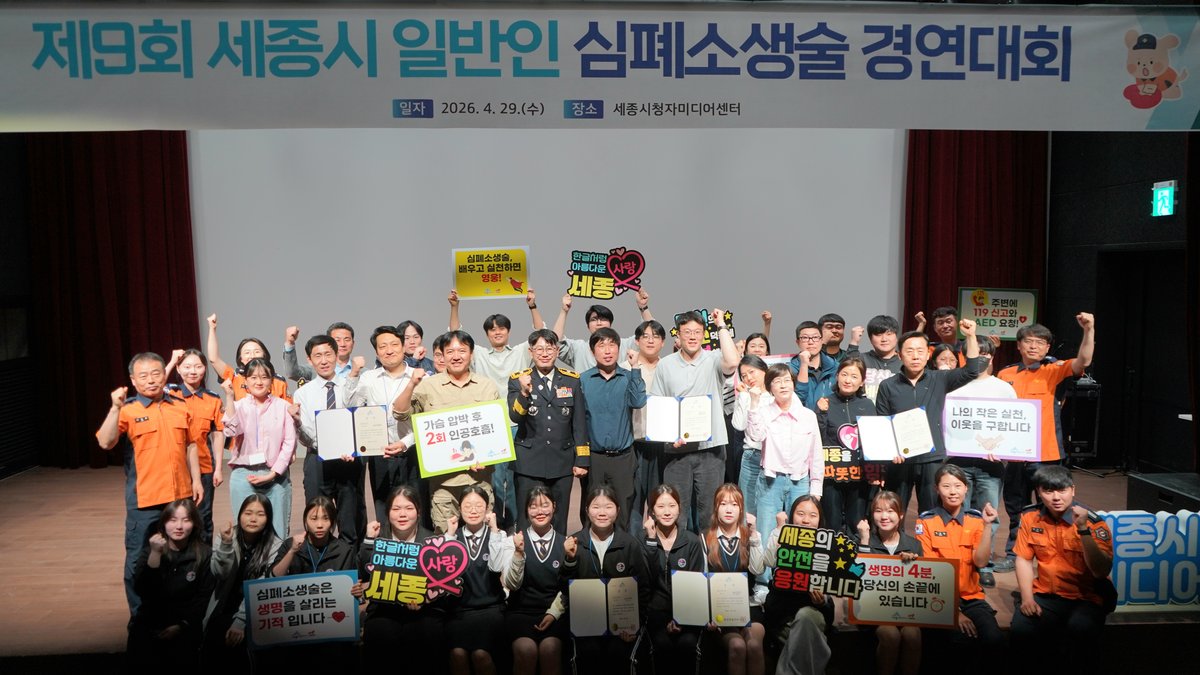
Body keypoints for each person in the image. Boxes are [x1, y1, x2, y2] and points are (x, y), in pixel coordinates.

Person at [96, 351, 205, 616]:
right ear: (133, 380)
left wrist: (197, 480)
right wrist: (114, 408)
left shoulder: (179, 405)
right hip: (144, 500)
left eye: (156, 373)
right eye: (143, 376)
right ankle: (140, 618)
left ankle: (181, 615)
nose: (151, 380)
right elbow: (105, 442)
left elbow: (191, 445)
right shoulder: (127, 410)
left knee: (184, 557)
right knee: (138, 559)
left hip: (179, 498)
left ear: (164, 374)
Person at [994, 313, 1096, 573]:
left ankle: (1050, 556)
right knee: (1016, 507)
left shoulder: (1055, 370)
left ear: (1047, 348)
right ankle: (1015, 553)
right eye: (1028, 341)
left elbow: (1084, 360)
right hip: (1013, 455)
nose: (1033, 346)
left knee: (1050, 507)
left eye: (1040, 343)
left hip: (1046, 453)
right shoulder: (1004, 374)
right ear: (1019, 345)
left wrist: (1089, 330)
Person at [449, 287, 545, 529]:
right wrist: (455, 306)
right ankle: (496, 526)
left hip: (517, 424)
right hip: (491, 427)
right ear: (487, 334)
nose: (497, 332)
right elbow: (455, 335)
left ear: (508, 331)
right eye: (492, 329)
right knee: (494, 478)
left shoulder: (521, 352)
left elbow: (540, 334)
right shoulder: (479, 355)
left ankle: (514, 526)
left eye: (501, 328)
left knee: (515, 478)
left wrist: (532, 306)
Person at [393, 330, 500, 533]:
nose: (456, 356)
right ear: (442, 355)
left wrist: (488, 456)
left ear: (471, 354)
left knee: (483, 538)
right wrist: (411, 384)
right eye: (450, 351)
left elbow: (496, 432)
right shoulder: (428, 386)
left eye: (462, 351)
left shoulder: (486, 386)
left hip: (479, 480)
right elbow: (400, 413)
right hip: (443, 483)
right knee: (445, 539)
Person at [1010, 465, 1113, 673]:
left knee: (1080, 630)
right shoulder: (1030, 517)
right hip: (1047, 594)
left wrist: (1083, 530)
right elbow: (1023, 559)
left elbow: (1100, 571)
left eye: (1062, 490)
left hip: (1086, 597)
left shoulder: (1093, 523)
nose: (1056, 497)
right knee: (1020, 630)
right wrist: (1027, 598)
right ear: (1039, 492)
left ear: (1072, 490)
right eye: (1048, 491)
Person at [876, 319, 983, 514]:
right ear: (900, 355)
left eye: (920, 351)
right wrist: (890, 452)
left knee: (932, 511)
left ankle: (928, 536)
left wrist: (970, 336)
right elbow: (882, 423)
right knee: (894, 510)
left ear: (928, 354)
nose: (915, 356)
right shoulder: (888, 386)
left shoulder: (940, 378)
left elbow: (972, 370)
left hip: (932, 458)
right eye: (909, 351)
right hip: (900, 460)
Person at [648, 309, 740, 532]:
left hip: (711, 449)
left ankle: (709, 553)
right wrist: (669, 438)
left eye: (697, 332)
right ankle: (677, 553)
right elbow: (659, 405)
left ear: (703, 335)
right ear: (678, 335)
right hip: (676, 450)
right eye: (687, 332)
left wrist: (721, 325)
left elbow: (733, 361)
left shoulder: (714, 358)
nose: (692, 336)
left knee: (710, 512)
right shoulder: (665, 364)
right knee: (674, 510)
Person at [915, 465, 1003, 674]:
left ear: (966, 489)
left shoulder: (976, 520)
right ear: (937, 489)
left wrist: (988, 526)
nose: (953, 492)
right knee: (959, 641)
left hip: (972, 598)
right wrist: (954, 612)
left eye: (957, 486)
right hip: (939, 600)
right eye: (946, 486)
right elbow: (930, 573)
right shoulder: (926, 522)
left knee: (995, 639)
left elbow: (981, 562)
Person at [944, 336, 1014, 587]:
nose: (981, 358)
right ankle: (958, 561)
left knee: (988, 515)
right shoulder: (953, 385)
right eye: (976, 353)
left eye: (986, 354)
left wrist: (1001, 448)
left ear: (992, 358)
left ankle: (983, 564)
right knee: (957, 512)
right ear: (964, 356)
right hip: (957, 461)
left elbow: (1013, 424)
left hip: (990, 464)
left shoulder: (1004, 388)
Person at [562, 486, 651, 674]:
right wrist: (569, 560)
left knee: (618, 654)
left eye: (608, 507)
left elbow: (642, 588)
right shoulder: (575, 542)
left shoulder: (629, 544)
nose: (602, 513)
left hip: (622, 625)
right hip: (585, 624)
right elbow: (564, 588)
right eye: (596, 507)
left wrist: (634, 624)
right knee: (588, 654)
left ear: (617, 510)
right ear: (587, 510)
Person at [509, 329, 589, 533]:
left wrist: (582, 459)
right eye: (539, 349)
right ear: (531, 352)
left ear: (557, 351)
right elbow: (515, 416)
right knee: (526, 516)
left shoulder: (572, 380)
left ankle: (559, 552)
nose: (544, 353)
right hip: (528, 462)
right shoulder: (518, 379)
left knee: (559, 518)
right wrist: (524, 393)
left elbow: (579, 423)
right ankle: (525, 552)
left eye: (549, 348)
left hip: (562, 462)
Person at [292, 334, 368, 545]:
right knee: (317, 515)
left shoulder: (352, 385)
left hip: (349, 459)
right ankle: (320, 559)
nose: (324, 360)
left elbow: (359, 419)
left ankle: (351, 562)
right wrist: (298, 423)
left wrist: (350, 447)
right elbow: (307, 438)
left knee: (350, 519)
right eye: (318, 356)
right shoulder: (303, 393)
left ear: (336, 355)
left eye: (328, 354)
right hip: (317, 460)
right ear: (309, 360)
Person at [345, 325, 419, 537]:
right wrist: (354, 373)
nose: (389, 350)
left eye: (394, 344)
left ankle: (415, 552)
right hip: (380, 454)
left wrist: (405, 442)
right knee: (384, 508)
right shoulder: (369, 378)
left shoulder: (419, 377)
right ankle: (387, 550)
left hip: (412, 452)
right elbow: (350, 406)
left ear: (403, 347)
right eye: (382, 346)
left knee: (415, 506)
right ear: (376, 352)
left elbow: (426, 420)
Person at [359, 485, 441, 670]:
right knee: (380, 634)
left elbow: (439, 583)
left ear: (419, 512)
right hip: (384, 609)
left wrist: (426, 599)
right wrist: (369, 540)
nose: (402, 514)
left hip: (423, 610)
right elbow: (363, 572)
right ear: (387, 513)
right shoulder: (379, 538)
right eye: (396, 509)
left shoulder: (432, 541)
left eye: (409, 508)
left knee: (427, 633)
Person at [127, 498, 215, 673]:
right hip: (152, 621)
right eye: (173, 520)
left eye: (186, 520)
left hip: (186, 623)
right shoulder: (150, 551)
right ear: (163, 523)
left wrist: (181, 625)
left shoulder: (204, 554)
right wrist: (155, 554)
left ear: (195, 524)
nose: (179, 526)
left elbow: (204, 597)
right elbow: (143, 590)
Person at [746, 364, 824, 553]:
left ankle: (795, 570)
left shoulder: (808, 416)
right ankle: (765, 573)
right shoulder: (763, 412)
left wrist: (816, 489)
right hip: (770, 481)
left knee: (800, 536)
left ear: (793, 384)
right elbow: (755, 436)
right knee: (766, 533)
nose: (783, 385)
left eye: (787, 380)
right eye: (777, 381)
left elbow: (816, 455)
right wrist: (754, 403)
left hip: (800, 482)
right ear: (769, 387)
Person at [202, 494, 283, 670]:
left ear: (268, 518)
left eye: (260, 514)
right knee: (216, 638)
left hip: (256, 610)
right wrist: (225, 544)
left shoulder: (276, 546)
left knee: (244, 645)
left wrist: (240, 620)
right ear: (239, 515)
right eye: (248, 513)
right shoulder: (227, 536)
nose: (253, 519)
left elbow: (263, 589)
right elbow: (219, 574)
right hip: (224, 604)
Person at [579, 326, 648, 530]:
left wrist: (636, 368)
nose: (607, 351)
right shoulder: (583, 380)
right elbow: (578, 422)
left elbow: (638, 401)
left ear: (619, 348)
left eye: (612, 345)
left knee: (623, 511)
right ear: (593, 351)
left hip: (623, 458)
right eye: (601, 345)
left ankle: (621, 549)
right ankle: (590, 549)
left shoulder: (628, 376)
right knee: (591, 509)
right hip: (594, 458)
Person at [220, 357, 296, 541]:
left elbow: (289, 443)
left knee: (278, 532)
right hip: (243, 476)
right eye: (253, 377)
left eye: (264, 377)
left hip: (275, 477)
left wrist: (273, 474)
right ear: (245, 381)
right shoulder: (237, 406)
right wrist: (229, 397)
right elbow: (231, 431)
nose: (259, 382)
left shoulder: (284, 407)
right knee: (245, 533)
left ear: (272, 381)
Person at [445, 486, 512, 675]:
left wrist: (494, 530)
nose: (473, 511)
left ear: (488, 508)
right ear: (459, 509)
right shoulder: (452, 537)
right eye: (467, 506)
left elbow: (496, 567)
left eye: (479, 506)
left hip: (491, 608)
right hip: (459, 611)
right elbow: (446, 574)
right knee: (457, 654)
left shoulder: (498, 536)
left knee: (480, 655)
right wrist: (449, 536)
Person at [763, 495, 834, 675]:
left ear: (820, 520)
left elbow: (831, 600)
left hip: (812, 614)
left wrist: (822, 601)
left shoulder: (829, 549)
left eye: (812, 515)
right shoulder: (781, 538)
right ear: (792, 515)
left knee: (805, 617)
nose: (806, 520)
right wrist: (779, 532)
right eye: (800, 514)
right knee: (805, 641)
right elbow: (768, 562)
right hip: (783, 617)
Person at [855, 491, 923, 675]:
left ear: (900, 515)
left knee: (913, 634)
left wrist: (913, 565)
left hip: (905, 608)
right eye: (878, 511)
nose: (884, 516)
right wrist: (864, 542)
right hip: (872, 609)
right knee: (890, 634)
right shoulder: (861, 540)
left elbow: (921, 583)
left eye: (890, 511)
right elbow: (854, 574)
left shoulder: (914, 545)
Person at [702, 484, 765, 675]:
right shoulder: (705, 538)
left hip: (749, 605)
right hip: (721, 609)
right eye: (723, 504)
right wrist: (708, 614)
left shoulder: (750, 536)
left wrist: (754, 536)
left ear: (741, 509)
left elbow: (758, 569)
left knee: (753, 645)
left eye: (734, 505)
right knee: (737, 646)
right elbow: (703, 580)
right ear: (716, 507)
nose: (729, 509)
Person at [504, 486, 568, 675]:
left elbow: (568, 588)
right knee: (526, 651)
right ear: (526, 510)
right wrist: (518, 553)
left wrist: (553, 613)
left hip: (554, 613)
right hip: (520, 611)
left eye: (545, 505)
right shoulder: (514, 541)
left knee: (550, 650)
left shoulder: (565, 543)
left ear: (554, 506)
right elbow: (512, 584)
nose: (540, 511)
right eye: (533, 506)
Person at [642, 484, 705, 675]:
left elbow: (695, 587)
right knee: (662, 644)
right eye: (661, 506)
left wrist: (681, 618)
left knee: (687, 644)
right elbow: (646, 581)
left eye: (672, 505)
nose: (667, 512)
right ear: (652, 511)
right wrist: (651, 541)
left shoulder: (692, 541)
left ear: (679, 508)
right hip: (655, 613)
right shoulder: (642, 541)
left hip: (686, 614)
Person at [165, 348, 224, 544]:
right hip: (174, 468)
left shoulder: (213, 399)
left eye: (198, 366)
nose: (193, 371)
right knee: (174, 517)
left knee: (203, 517)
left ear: (205, 369)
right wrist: (171, 361)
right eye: (187, 367)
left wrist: (218, 468)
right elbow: (154, 386)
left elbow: (217, 434)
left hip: (204, 467)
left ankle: (203, 558)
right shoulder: (169, 393)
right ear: (179, 369)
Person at [815, 356, 876, 536]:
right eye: (844, 374)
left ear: (862, 381)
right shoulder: (825, 403)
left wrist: (878, 470)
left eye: (854, 376)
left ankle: (857, 554)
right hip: (831, 476)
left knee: (856, 524)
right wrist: (821, 414)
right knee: (831, 525)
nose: (848, 380)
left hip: (859, 476)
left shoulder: (868, 405)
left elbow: (873, 441)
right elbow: (818, 440)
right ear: (837, 376)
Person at [626, 319, 668, 535]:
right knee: (633, 499)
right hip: (634, 442)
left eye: (656, 336)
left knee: (660, 498)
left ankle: (658, 545)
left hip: (663, 444)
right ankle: (634, 545)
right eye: (645, 336)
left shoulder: (670, 367)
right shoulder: (626, 368)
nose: (651, 340)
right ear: (637, 341)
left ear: (663, 342)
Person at [552, 289, 653, 372]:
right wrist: (564, 311)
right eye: (594, 319)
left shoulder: (624, 345)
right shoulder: (579, 349)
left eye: (603, 319)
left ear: (610, 324)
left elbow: (650, 333)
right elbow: (555, 342)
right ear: (588, 326)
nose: (599, 323)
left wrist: (643, 308)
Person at [204, 313, 289, 402]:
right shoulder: (235, 377)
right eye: (247, 352)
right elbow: (214, 359)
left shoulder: (279, 381)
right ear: (241, 359)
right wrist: (212, 328)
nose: (252, 355)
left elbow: (288, 408)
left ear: (264, 355)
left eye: (256, 351)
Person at [271, 496, 357, 576]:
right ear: (305, 520)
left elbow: (350, 580)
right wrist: (292, 551)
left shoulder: (344, 550)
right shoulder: (290, 545)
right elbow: (274, 577)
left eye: (326, 519)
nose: (320, 525)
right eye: (314, 519)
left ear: (332, 521)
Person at [731, 355, 770, 515]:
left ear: (764, 370)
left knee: (769, 507)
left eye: (752, 372)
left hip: (773, 457)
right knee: (747, 510)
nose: (749, 378)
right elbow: (738, 425)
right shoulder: (744, 396)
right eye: (744, 375)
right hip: (751, 456)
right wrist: (744, 396)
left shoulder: (775, 394)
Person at [280, 321, 357, 384]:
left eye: (347, 339)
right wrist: (290, 343)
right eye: (337, 340)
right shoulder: (314, 369)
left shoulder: (361, 372)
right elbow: (292, 373)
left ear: (353, 343)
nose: (342, 344)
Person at [848, 315, 901, 402]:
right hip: (865, 409)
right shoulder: (862, 359)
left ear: (897, 337)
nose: (884, 339)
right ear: (870, 338)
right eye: (879, 335)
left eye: (889, 334)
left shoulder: (904, 362)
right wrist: (854, 342)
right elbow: (847, 370)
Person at [789, 321, 838, 411]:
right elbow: (797, 400)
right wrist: (804, 365)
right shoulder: (790, 370)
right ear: (798, 342)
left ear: (821, 340)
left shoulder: (835, 367)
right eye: (805, 338)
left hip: (829, 417)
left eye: (815, 337)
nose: (811, 342)